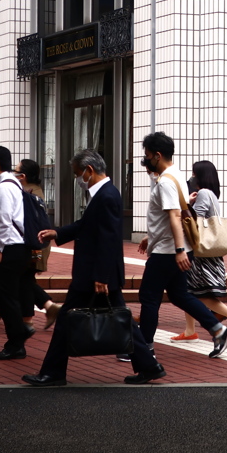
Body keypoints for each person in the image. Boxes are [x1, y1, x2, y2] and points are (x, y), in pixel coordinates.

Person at [23, 150, 164, 385]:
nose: (78, 180)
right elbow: (86, 225)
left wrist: (101, 275)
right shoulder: (103, 194)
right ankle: (149, 366)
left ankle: (53, 373)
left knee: (68, 318)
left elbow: (108, 239)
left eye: (79, 174)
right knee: (123, 319)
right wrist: (58, 232)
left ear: (89, 170)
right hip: (97, 273)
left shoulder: (106, 196)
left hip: (94, 274)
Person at [137, 131, 227, 358]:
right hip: (172, 248)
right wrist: (150, 237)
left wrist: (180, 250)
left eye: (148, 155)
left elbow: (175, 215)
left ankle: (144, 348)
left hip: (168, 251)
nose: (147, 159)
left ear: (157, 155)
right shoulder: (177, 176)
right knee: (180, 295)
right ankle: (219, 330)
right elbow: (174, 214)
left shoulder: (165, 182)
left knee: (149, 297)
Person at [172, 160, 227, 342]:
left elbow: (192, 221)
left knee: (199, 294)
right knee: (190, 290)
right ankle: (190, 330)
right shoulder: (209, 194)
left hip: (202, 254)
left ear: (200, 176)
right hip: (204, 253)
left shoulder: (204, 194)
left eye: (193, 174)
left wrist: (184, 204)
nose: (191, 177)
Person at [0, 144, 34, 361]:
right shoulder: (13, 184)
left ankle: (16, 342)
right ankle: (19, 333)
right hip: (17, 247)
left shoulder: (4, 187)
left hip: (11, 248)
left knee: (3, 295)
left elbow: (3, 220)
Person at [14, 159, 61, 330]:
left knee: (24, 281)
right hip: (35, 244)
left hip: (33, 245)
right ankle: (48, 307)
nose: (14, 174)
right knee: (25, 280)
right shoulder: (32, 191)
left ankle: (28, 320)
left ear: (23, 175)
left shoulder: (31, 194)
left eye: (16, 171)